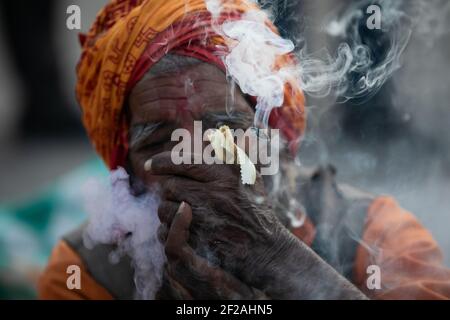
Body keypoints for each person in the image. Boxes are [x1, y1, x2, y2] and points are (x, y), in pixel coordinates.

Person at [38, 0, 450, 300]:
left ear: (272, 136)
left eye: (224, 132)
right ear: (125, 164)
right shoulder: (84, 273)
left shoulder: (374, 235)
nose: (195, 159)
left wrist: (278, 260)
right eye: (161, 141)